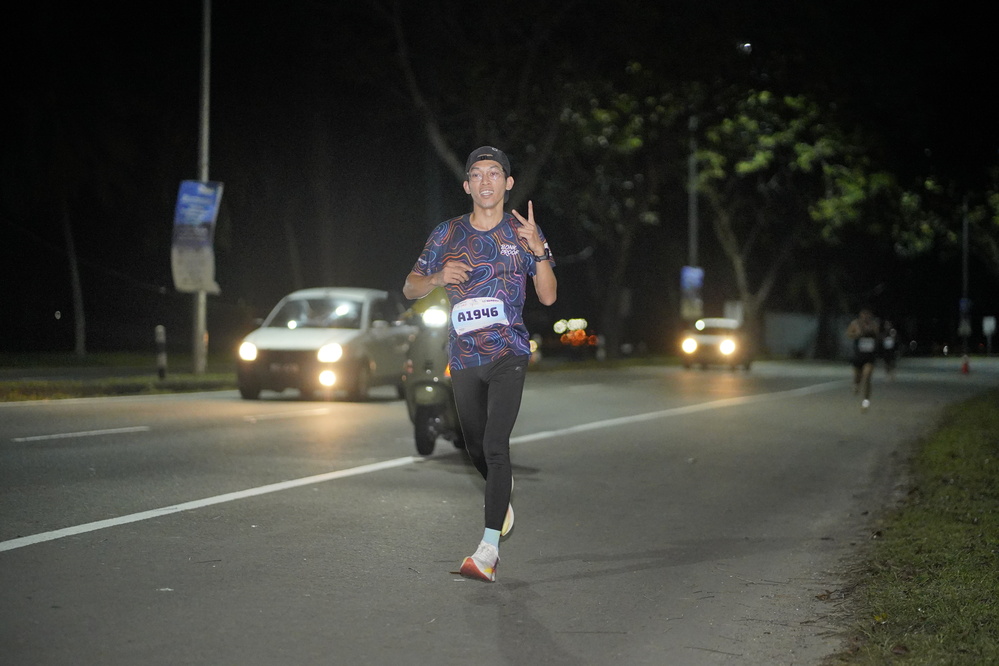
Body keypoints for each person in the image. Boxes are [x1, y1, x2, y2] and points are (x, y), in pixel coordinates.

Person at [403, 146, 557, 582]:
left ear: (508, 184)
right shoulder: (447, 233)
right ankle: (500, 494)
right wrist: (437, 278)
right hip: (464, 356)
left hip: (509, 352)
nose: (485, 180)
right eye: (477, 174)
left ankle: (487, 551)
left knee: (494, 444)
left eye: (494, 173)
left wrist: (539, 251)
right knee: (474, 447)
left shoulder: (524, 232)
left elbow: (548, 296)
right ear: (467, 185)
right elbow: (410, 287)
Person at [846, 307, 881, 411]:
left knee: (867, 377)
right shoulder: (855, 324)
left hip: (869, 357)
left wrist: (873, 333)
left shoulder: (874, 325)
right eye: (864, 314)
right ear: (861, 315)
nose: (866, 316)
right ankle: (856, 384)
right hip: (858, 356)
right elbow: (848, 334)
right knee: (858, 378)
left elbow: (878, 336)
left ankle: (866, 402)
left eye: (868, 314)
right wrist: (857, 334)